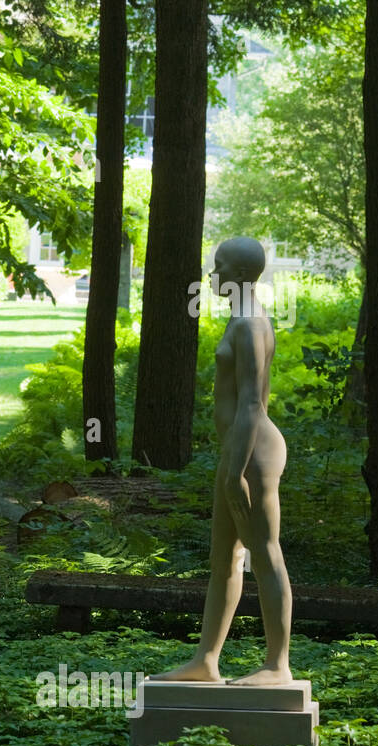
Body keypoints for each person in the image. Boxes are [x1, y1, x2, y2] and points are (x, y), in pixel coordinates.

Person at [152, 236, 293, 685]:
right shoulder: (241, 320)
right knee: (223, 561)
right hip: (236, 450)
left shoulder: (250, 323)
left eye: (218, 267)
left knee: (266, 555)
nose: (211, 275)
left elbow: (253, 403)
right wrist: (229, 464)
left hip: (253, 454)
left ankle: (278, 666)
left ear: (238, 275)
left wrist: (235, 473)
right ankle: (206, 660)